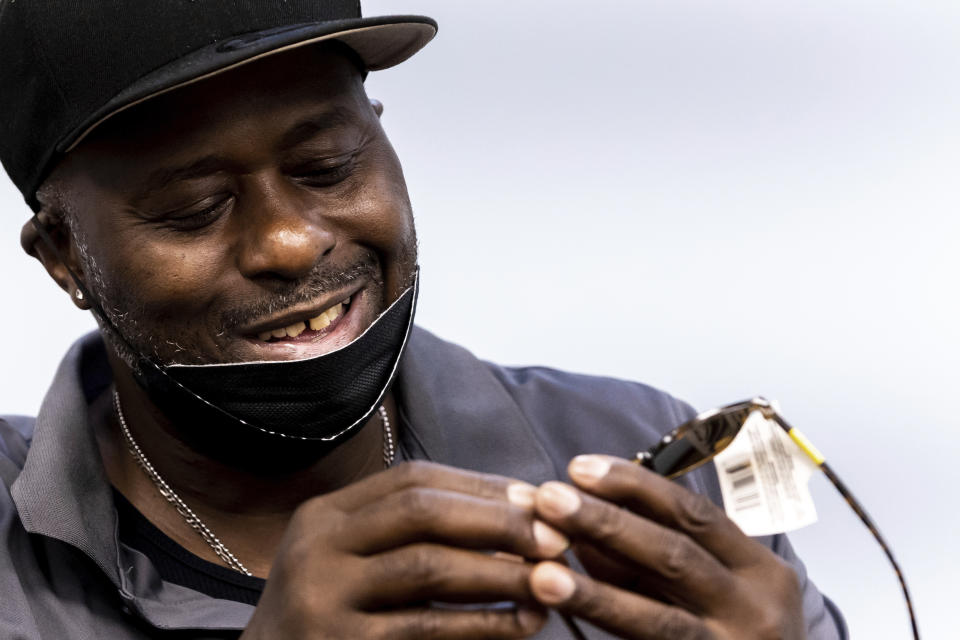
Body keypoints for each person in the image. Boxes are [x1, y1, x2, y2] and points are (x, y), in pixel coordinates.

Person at [0, 2, 847, 638]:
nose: (291, 242)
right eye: (193, 208)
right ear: (64, 255)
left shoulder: (650, 453)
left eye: (327, 166)